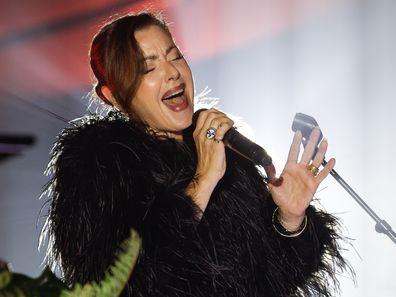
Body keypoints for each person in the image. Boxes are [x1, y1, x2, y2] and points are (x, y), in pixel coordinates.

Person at [42, 11, 348, 297]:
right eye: (148, 67)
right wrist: (203, 181)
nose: (172, 73)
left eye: (175, 56)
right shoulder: (98, 167)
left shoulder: (227, 151)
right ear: (112, 96)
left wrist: (290, 219)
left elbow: (275, 279)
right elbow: (126, 283)